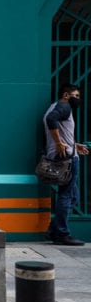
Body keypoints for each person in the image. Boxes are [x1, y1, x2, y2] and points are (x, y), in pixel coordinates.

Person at [42, 83, 89, 246]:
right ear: (66, 95)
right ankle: (62, 233)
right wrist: (59, 144)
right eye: (75, 95)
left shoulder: (54, 107)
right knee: (66, 195)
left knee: (73, 196)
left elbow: (59, 129)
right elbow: (51, 120)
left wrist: (74, 144)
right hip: (67, 158)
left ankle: (54, 230)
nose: (78, 99)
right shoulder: (64, 106)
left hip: (66, 153)